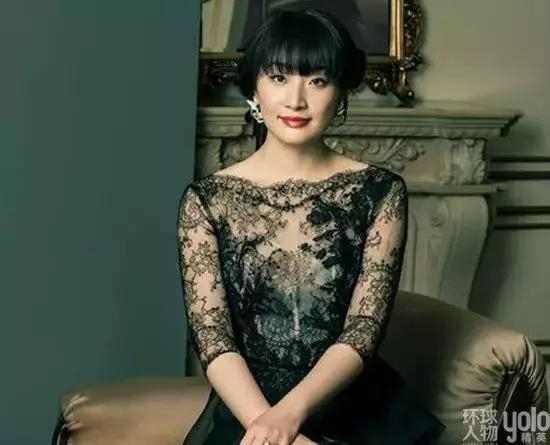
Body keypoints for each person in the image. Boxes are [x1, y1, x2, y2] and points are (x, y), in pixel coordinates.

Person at [178, 9, 445, 445]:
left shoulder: (378, 192)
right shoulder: (207, 201)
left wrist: (290, 415)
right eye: (279, 78)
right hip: (249, 410)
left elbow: (364, 327)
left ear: (340, 93)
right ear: (255, 88)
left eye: (317, 80)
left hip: (356, 410)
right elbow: (212, 335)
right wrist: (267, 426)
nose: (296, 100)